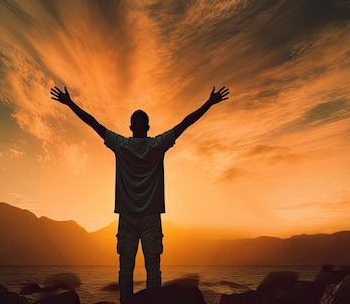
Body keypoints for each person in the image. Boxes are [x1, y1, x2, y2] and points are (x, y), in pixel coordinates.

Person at [50, 85, 229, 303]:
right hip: (152, 216)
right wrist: (209, 103)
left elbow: (93, 123)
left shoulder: (121, 144)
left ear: (130, 127)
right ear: (148, 127)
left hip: (126, 217)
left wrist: (69, 103)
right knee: (154, 270)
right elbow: (185, 123)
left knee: (126, 269)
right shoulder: (157, 144)